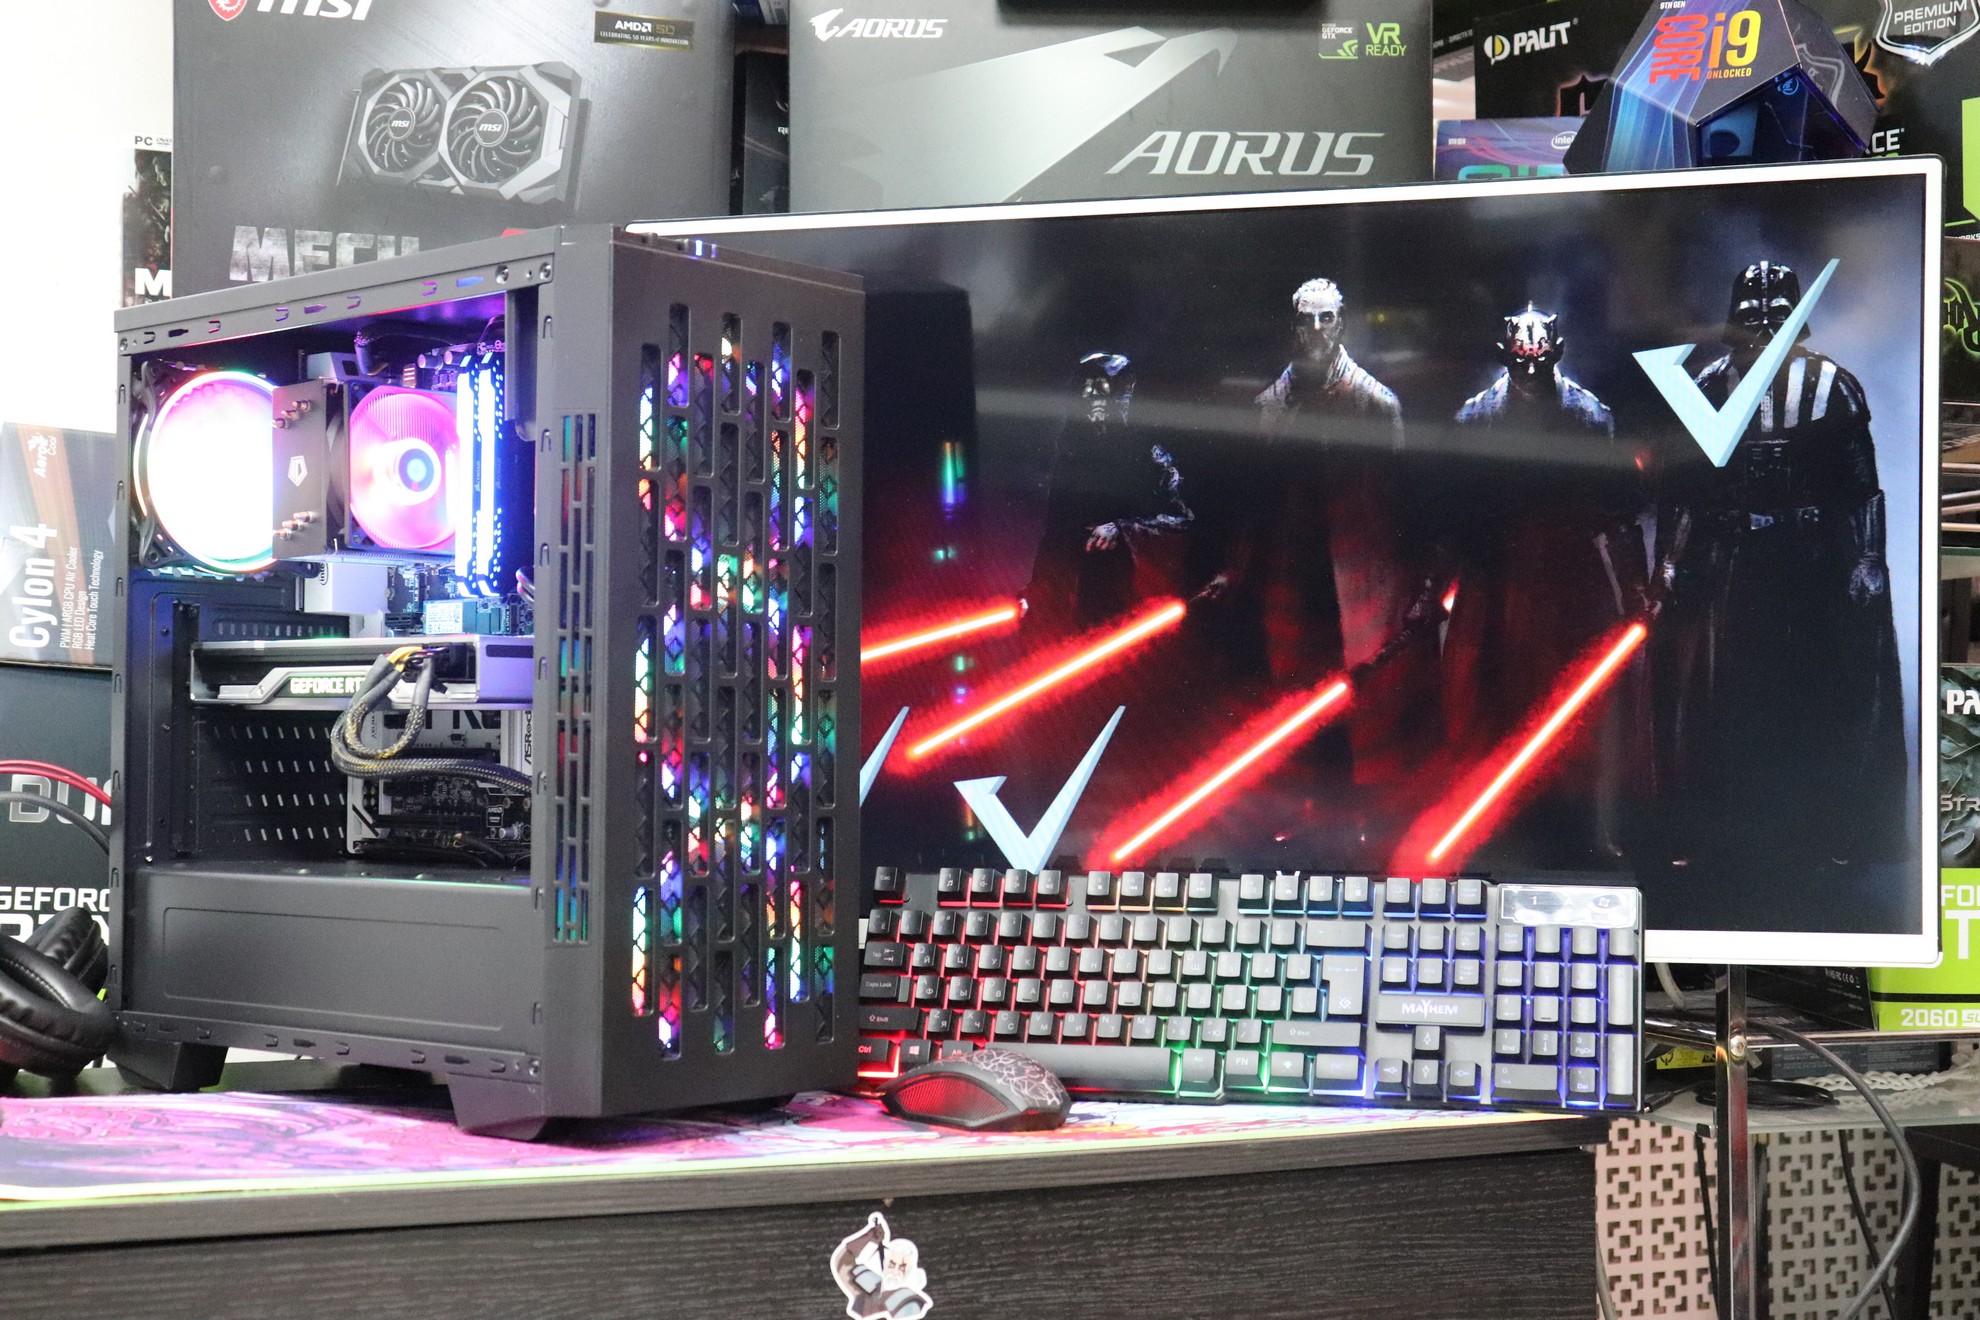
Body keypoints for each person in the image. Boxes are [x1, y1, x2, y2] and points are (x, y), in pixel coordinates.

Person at [1651, 260, 1906, 868]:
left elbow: (1861, 488)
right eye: (1753, 319)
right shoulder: (1707, 385)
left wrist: (1868, 556)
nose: (1764, 332)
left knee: (1815, 692)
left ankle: (1823, 832)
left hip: (1810, 564)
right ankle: (1724, 830)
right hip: (1732, 564)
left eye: (1776, 319)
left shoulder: (1833, 387)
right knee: (1724, 698)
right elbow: (1686, 490)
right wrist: (1672, 561)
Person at [1021, 353, 1192, 634]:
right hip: (1071, 599)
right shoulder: (1071, 456)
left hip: (1126, 600)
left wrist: (1121, 529)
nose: (1092, 397)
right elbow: (1054, 533)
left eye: (1102, 387)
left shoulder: (1152, 453)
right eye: (1086, 387)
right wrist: (1036, 591)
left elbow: (1184, 521)